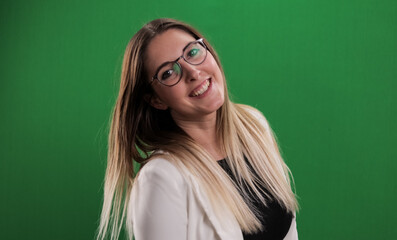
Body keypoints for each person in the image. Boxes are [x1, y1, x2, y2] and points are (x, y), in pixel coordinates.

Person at [97, 18, 299, 240]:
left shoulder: (253, 126)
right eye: (168, 73)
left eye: (192, 52)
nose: (193, 72)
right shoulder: (161, 178)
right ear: (156, 100)